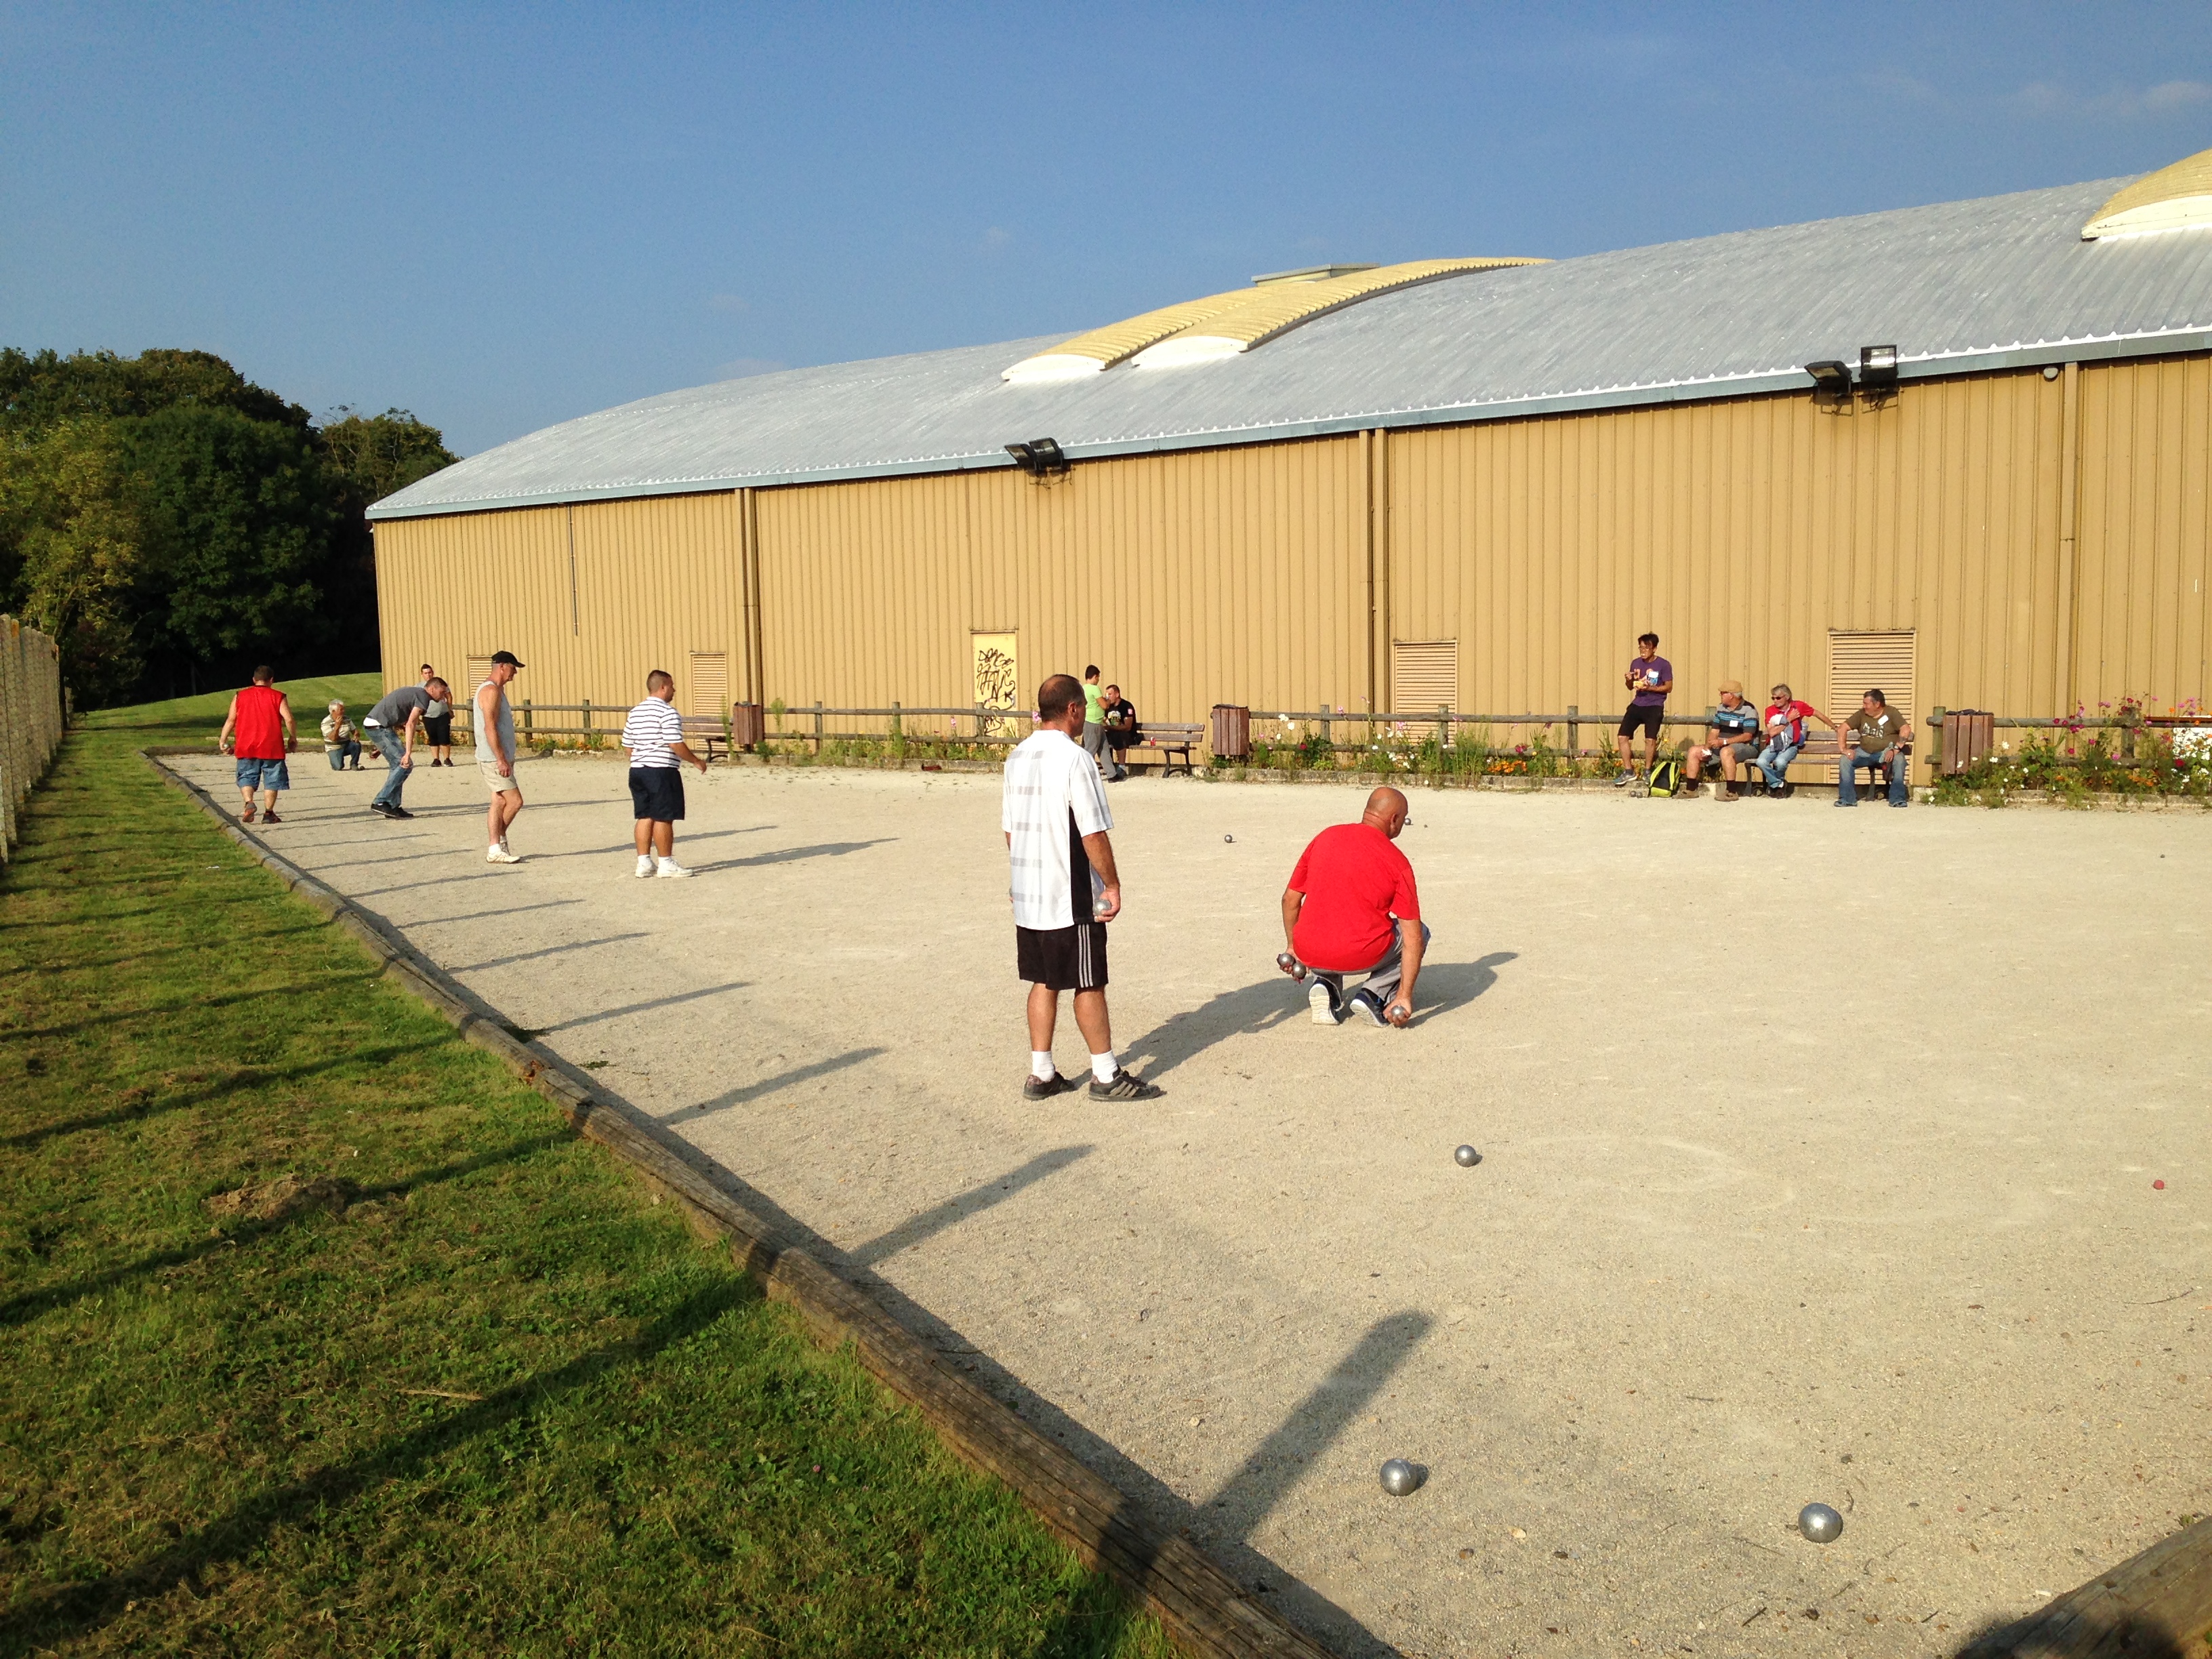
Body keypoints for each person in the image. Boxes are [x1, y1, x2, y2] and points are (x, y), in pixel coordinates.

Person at [1003, 672, 1162, 1103]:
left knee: (1043, 980)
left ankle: (1041, 1073)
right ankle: (1106, 1073)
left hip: (1029, 893)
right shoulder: (1075, 760)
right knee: (1088, 981)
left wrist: (1019, 878)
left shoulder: (1016, 756)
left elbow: (1010, 832)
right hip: (1069, 893)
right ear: (1074, 709)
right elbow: (1092, 832)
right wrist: (1111, 884)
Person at [1276, 787, 1427, 1027]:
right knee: (1422, 932)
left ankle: (1325, 984)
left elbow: (1289, 900)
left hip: (1310, 952)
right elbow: (1413, 938)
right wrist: (1404, 996)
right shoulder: (1397, 861)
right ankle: (1374, 994)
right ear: (1395, 819)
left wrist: (1293, 948)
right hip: (1361, 954)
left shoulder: (1324, 837)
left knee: (1331, 918)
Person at [621, 669, 710, 876]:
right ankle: (666, 862)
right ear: (663, 687)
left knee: (644, 815)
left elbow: (627, 747)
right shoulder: (668, 712)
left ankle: (643, 862)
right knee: (664, 816)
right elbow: (675, 743)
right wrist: (696, 761)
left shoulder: (635, 712)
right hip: (661, 770)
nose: (674, 690)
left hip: (637, 770)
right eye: (671, 686)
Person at [218, 666, 295, 824]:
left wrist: (223, 740)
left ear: (254, 680)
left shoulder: (240, 696)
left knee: (246, 776)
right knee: (272, 779)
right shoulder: (278, 696)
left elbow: (231, 720)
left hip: (246, 745)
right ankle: (269, 813)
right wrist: (292, 738)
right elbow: (289, 719)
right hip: (272, 746)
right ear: (272, 680)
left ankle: (249, 802)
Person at [361, 676, 447, 819]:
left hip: (378, 726)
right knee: (405, 764)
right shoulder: (423, 697)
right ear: (432, 689)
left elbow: (400, 718)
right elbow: (411, 724)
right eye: (442, 692)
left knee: (398, 765)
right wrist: (407, 753)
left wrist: (382, 748)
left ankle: (393, 806)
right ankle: (381, 801)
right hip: (378, 727)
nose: (444, 697)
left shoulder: (417, 694)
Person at [474, 651, 526, 863]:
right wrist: (501, 759)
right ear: (502, 666)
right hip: (493, 757)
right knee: (515, 802)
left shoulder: (498, 690)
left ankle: (497, 846)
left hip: (497, 756)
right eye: (513, 669)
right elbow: (489, 727)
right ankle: (496, 844)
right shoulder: (491, 691)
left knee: (498, 801)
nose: (514, 674)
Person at [1680, 680, 1761, 800]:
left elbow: (1747, 736)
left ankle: (1732, 792)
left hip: (1746, 746)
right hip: (1721, 745)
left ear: (1731, 695)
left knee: (1726, 752)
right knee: (1694, 751)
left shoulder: (1749, 710)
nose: (1720, 695)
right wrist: (1708, 747)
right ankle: (1691, 789)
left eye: (1723, 693)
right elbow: (1714, 732)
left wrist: (1724, 742)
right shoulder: (1721, 708)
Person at [1757, 682, 1837, 798]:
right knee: (1761, 762)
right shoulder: (1770, 710)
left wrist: (1835, 727)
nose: (1775, 701)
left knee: (1780, 762)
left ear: (1787, 697)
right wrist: (1789, 719)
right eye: (1773, 698)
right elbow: (1772, 732)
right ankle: (1778, 784)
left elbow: (1817, 714)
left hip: (1791, 745)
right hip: (1774, 744)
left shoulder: (1798, 706)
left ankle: (1776, 786)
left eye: (1778, 698)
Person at [1614, 632, 1673, 787]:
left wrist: (1651, 688)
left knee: (1650, 739)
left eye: (1646, 648)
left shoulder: (1663, 665)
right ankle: (1628, 770)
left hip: (1654, 705)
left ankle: (1647, 770)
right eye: (1640, 647)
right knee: (1622, 736)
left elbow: (1669, 687)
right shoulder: (1635, 663)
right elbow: (1630, 687)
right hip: (1638, 702)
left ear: (1654, 649)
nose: (1643, 651)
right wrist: (1628, 681)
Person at [1837, 689, 1912, 808]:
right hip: (1864, 753)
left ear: (1877, 704)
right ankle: (1847, 799)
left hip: (1886, 752)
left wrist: (1896, 749)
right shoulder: (1861, 714)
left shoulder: (1891, 712)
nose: (1864, 706)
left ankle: (1897, 799)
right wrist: (1844, 749)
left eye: (1866, 703)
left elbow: (1906, 729)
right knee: (1845, 760)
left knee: (1900, 760)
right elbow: (1842, 728)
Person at [1101, 684, 1137, 781]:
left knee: (1119, 736)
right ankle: (1109, 766)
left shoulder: (1126, 706)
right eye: (1106, 695)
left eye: (1110, 694)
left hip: (1128, 735)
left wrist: (1112, 727)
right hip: (1112, 732)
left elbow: (1128, 726)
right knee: (1101, 737)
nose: (1107, 697)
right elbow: (1104, 719)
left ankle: (1121, 767)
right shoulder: (1108, 707)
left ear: (1117, 694)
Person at [1080, 665, 1110, 780]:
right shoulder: (1094, 689)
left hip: (1090, 720)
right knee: (1090, 749)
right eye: (1098, 678)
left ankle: (1111, 773)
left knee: (1104, 748)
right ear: (1095, 677)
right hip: (1094, 722)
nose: (1098, 680)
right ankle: (1086, 774)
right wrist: (1108, 701)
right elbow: (1104, 705)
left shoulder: (1083, 689)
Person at [320, 700, 363, 771]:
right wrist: (337, 726)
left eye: (343, 709)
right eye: (341, 710)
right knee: (338, 767)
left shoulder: (347, 719)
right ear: (333, 711)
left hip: (346, 745)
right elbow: (333, 738)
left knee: (356, 745)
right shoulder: (326, 723)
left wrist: (356, 736)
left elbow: (355, 731)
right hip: (334, 748)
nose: (343, 711)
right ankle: (336, 760)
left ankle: (354, 764)